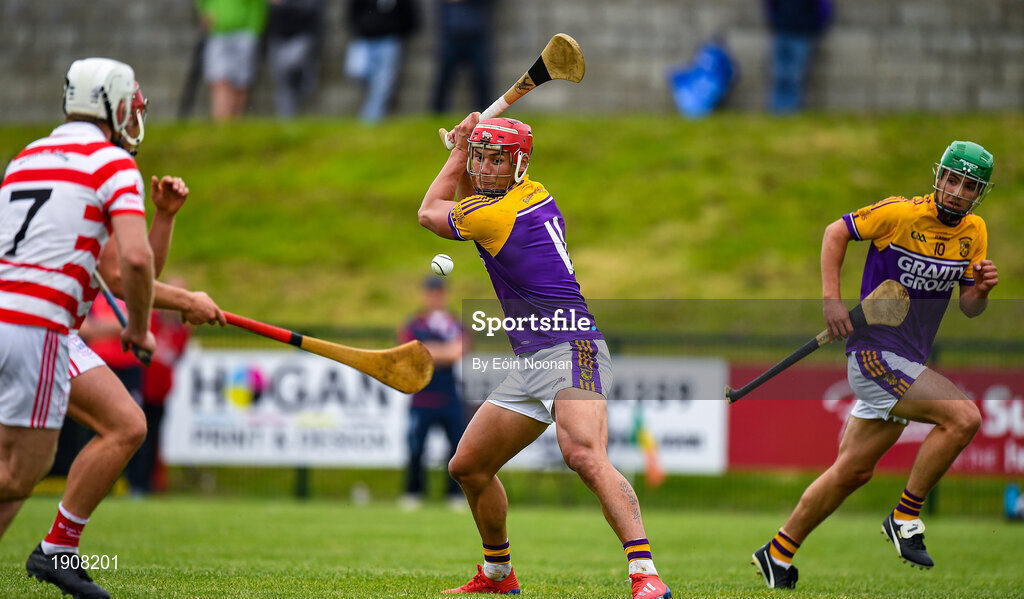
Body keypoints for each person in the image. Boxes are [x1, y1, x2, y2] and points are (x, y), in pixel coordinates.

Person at [418, 114, 671, 599]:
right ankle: (497, 575)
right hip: (534, 359)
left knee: (583, 454)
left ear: (519, 164)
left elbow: (430, 210)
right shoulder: (531, 191)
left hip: (571, 347)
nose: (487, 169)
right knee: (467, 466)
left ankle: (646, 575)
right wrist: (468, 146)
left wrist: (457, 150)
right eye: (481, 158)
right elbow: (469, 194)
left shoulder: (493, 216)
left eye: (498, 159)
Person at [751, 141, 998, 588]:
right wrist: (832, 301)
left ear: (979, 194)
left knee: (853, 471)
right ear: (938, 175)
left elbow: (970, 308)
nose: (957, 190)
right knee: (964, 418)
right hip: (873, 355)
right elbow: (835, 232)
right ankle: (905, 517)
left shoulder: (974, 232)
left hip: (907, 360)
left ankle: (777, 553)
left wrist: (980, 288)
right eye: (951, 178)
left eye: (969, 185)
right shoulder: (899, 214)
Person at [0, 56, 156, 544]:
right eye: (130, 104)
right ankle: (56, 550)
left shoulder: (27, 156)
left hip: (13, 312)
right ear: (110, 102)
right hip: (37, 325)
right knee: (21, 473)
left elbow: (107, 269)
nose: (135, 115)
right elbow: (134, 260)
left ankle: (58, 550)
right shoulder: (113, 163)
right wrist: (137, 327)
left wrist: (181, 298)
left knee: (13, 471)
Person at [398, 275, 465, 509]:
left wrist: (429, 349)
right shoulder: (414, 323)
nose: (436, 297)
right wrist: (442, 351)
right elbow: (410, 352)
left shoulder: (454, 323)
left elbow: (457, 352)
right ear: (425, 295)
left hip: (450, 396)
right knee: (416, 447)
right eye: (432, 293)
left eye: (440, 293)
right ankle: (413, 493)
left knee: (457, 447)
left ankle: (454, 495)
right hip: (422, 396)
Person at [127, 287, 195, 495]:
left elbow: (177, 356)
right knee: (134, 437)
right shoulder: (149, 321)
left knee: (154, 440)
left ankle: (145, 486)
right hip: (140, 388)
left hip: (161, 393)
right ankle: (132, 484)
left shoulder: (182, 331)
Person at [345, 0, 419, 123]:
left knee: (383, 83)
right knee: (356, 71)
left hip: (390, 41)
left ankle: (370, 121)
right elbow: (352, 11)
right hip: (364, 39)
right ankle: (370, 110)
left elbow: (410, 17)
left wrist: (395, 30)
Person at [195, 0, 268, 121]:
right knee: (220, 80)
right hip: (218, 31)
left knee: (241, 83)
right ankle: (221, 125)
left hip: (246, 30)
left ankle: (233, 125)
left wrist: (254, 29)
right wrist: (205, 12)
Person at [764, 0, 831, 113]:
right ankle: (777, 109)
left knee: (795, 75)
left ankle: (791, 109)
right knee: (779, 73)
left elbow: (823, 8)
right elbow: (770, 6)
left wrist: (816, 26)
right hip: (782, 30)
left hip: (802, 33)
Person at [430, 0, 494, 114]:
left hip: (476, 34)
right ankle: (437, 111)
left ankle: (486, 113)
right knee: (444, 76)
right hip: (452, 34)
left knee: (481, 76)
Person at [266, 0, 325, 118]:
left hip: (302, 36)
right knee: (282, 83)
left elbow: (311, 10)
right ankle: (285, 120)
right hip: (278, 37)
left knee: (291, 67)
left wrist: (284, 4)